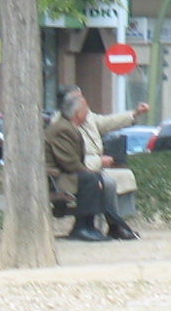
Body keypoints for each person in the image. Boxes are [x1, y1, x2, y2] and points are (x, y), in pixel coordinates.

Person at [45, 88, 148, 241]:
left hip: (79, 169)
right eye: (80, 100)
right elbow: (69, 162)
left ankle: (113, 224)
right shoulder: (63, 127)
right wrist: (95, 166)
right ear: (75, 110)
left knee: (120, 177)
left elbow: (107, 122)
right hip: (61, 176)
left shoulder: (79, 121)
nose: (87, 109)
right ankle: (86, 227)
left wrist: (134, 114)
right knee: (99, 181)